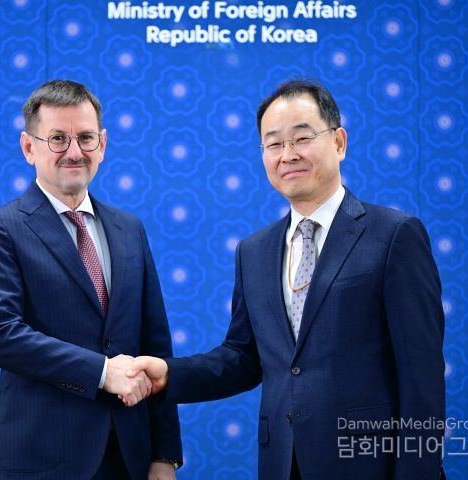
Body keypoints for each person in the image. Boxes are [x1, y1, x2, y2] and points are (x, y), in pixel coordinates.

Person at [128, 79, 446, 479]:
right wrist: (169, 374)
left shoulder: (394, 235)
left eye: (302, 138)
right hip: (282, 463)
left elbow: (421, 378)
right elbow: (243, 359)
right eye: (274, 143)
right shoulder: (254, 251)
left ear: (339, 142)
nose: (288, 154)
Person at [0, 80, 182, 480]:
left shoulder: (129, 229)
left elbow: (156, 345)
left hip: (129, 457)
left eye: (85, 138)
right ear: (28, 147)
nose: (73, 152)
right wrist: (102, 372)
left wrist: (165, 454)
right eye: (57, 139)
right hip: (38, 459)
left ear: (102, 144)